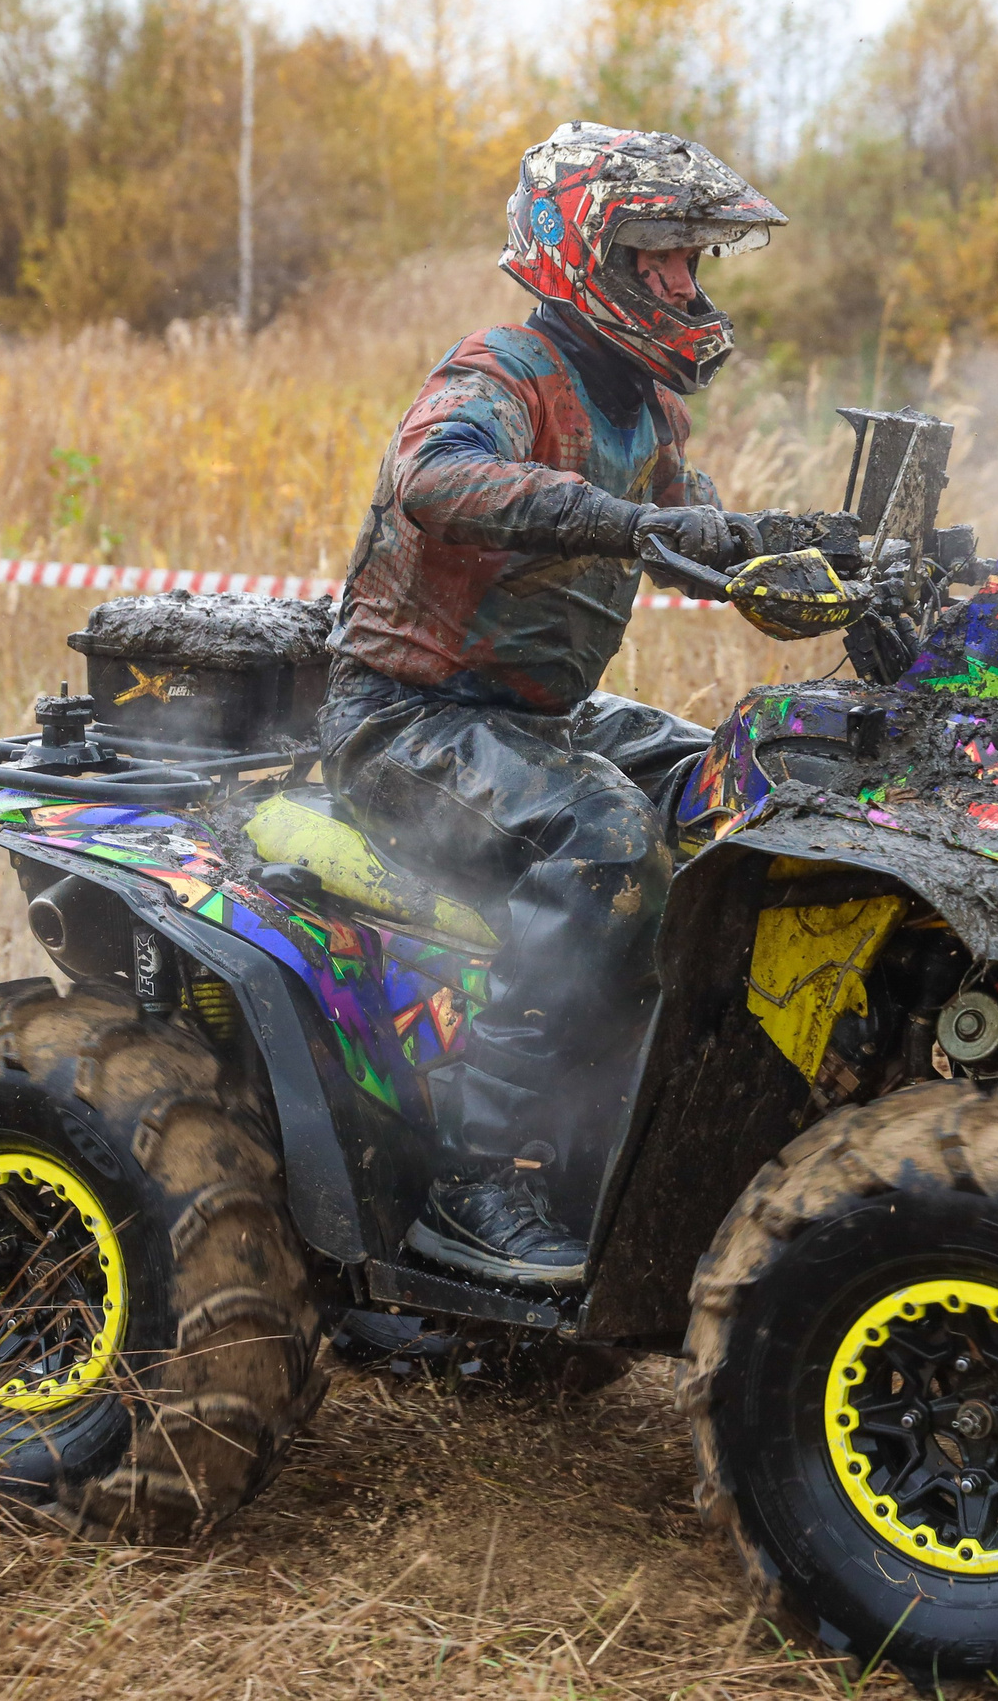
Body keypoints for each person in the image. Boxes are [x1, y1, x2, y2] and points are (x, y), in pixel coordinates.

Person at [320, 122, 786, 1288]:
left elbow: (702, 541)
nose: (684, 282)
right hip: (404, 717)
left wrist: (821, 570)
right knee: (605, 843)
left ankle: (629, 1119)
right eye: (660, 258)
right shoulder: (502, 368)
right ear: (590, 255)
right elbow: (431, 476)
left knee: (742, 781)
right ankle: (477, 1181)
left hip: (534, 719)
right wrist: (622, 521)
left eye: (693, 260)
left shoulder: (650, 410)